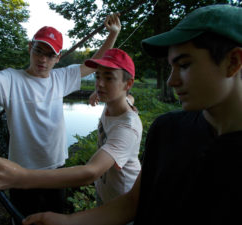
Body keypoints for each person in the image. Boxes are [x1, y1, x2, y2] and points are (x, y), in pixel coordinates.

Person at [18, 4, 242, 225]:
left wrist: (20, 177)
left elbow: (92, 171)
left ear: (233, 62)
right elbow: (133, 202)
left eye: (184, 65)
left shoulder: (136, 127)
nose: (170, 81)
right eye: (171, 67)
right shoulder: (167, 130)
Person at [0, 14, 121, 221]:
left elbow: (94, 63)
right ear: (30, 48)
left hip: (56, 171)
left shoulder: (62, 77)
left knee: (55, 219)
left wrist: (113, 34)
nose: (43, 59)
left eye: (50, 54)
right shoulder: (11, 78)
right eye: (38, 51)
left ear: (58, 58)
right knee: (23, 219)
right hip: (19, 172)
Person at [0, 48, 142, 211]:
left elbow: (91, 172)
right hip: (106, 197)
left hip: (125, 203)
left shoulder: (127, 128)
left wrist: (20, 177)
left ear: (127, 84)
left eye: (109, 78)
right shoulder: (115, 106)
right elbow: (128, 98)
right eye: (98, 76)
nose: (99, 83)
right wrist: (107, 93)